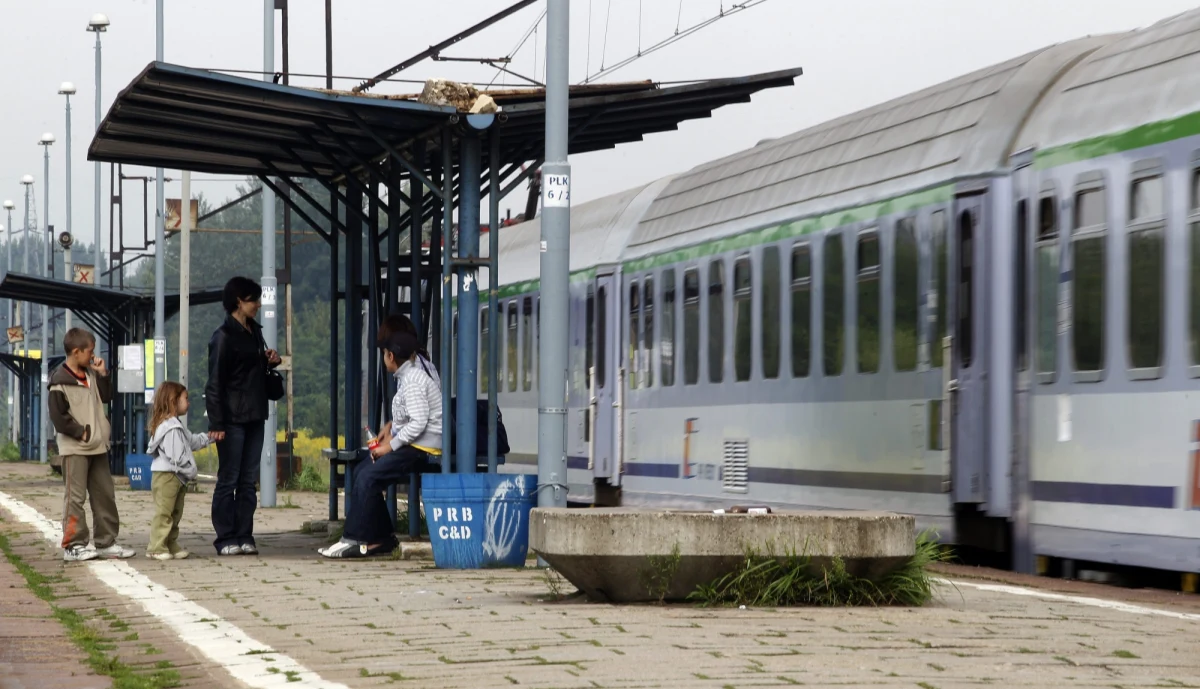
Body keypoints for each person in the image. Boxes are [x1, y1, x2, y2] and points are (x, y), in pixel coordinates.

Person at [319, 330, 442, 558]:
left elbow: (418, 423)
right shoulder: (408, 377)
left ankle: (355, 537)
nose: (384, 358)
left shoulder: (413, 381)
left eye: (384, 354)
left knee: (369, 477)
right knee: (363, 470)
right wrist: (390, 431)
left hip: (422, 447)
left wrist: (389, 446)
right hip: (414, 443)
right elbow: (408, 418)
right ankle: (383, 538)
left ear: (391, 357)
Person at [205, 276, 282, 556]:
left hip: (255, 413)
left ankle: (244, 534)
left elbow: (248, 368)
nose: (258, 305)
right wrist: (217, 423)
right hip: (232, 417)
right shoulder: (222, 337)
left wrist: (267, 359)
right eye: (254, 300)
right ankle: (225, 537)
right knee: (229, 477)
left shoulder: (255, 332)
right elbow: (214, 383)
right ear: (239, 301)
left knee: (248, 479)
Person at [48, 328, 135, 562]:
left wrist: (103, 373)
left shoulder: (91, 375)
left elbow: (106, 397)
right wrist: (81, 433)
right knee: (75, 498)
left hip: (98, 446)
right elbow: (58, 417)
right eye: (90, 352)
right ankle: (73, 545)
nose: (93, 356)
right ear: (76, 352)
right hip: (75, 448)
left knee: (104, 495)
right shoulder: (59, 381)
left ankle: (106, 542)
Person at [145, 381, 212, 561]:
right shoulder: (170, 428)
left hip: (176, 476)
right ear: (173, 400)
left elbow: (192, 441)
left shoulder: (177, 426)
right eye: (185, 398)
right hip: (167, 476)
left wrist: (210, 438)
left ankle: (170, 543)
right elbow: (177, 456)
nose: (188, 403)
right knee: (164, 512)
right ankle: (156, 546)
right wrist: (191, 470)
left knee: (175, 512)